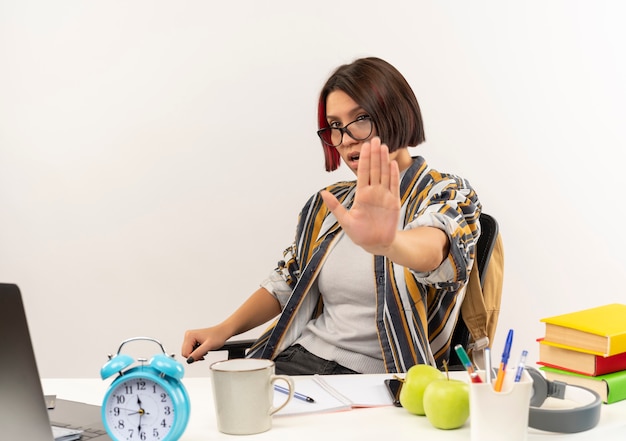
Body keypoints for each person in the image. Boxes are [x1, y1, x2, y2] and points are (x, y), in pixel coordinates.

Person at [181, 57, 481, 375]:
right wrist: (224, 329)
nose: (347, 137)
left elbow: (436, 252)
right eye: (335, 126)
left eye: (361, 118)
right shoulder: (329, 203)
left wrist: (390, 243)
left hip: (380, 381)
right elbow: (288, 280)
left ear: (396, 114)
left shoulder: (445, 192)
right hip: (297, 359)